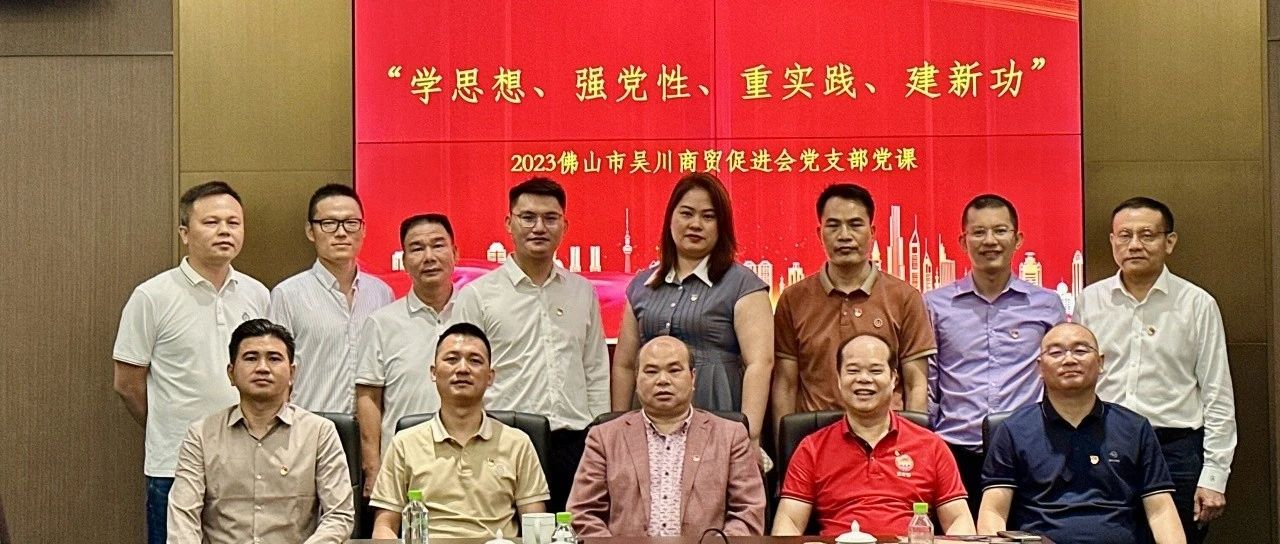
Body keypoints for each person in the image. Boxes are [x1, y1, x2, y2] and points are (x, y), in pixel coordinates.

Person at [113, 181, 270, 544]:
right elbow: (127, 383)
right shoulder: (152, 296)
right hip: (175, 464)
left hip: (247, 462)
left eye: (233, 222)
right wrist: (165, 425)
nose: (225, 231)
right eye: (211, 222)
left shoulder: (257, 293)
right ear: (184, 233)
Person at [1075, 197, 1236, 543]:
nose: (1134, 244)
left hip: (1175, 453)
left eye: (1147, 235)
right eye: (1125, 235)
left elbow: (1217, 394)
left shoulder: (1197, 304)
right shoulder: (1090, 300)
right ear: (1112, 241)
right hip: (1103, 446)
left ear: (1169, 242)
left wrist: (1214, 476)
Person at [452, 177, 608, 511]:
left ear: (564, 226)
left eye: (550, 218)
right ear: (509, 223)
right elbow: (461, 376)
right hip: (503, 442)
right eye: (528, 217)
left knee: (573, 530)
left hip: (573, 443)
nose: (539, 227)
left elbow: (594, 369)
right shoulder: (477, 296)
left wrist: (597, 436)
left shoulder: (582, 291)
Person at [978, 322, 1185, 544]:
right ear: (1040, 368)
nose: (1069, 360)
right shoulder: (1013, 429)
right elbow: (993, 512)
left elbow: (1161, 510)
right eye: (1056, 353)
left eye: (1080, 350)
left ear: (1100, 362)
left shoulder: (1135, 427)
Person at [924, 193, 1065, 516]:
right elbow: (930, 382)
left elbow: (1058, 379)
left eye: (1000, 231)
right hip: (954, 450)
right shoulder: (935, 304)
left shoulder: (1046, 304)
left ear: (1018, 239)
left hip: (1027, 451)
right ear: (963, 241)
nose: (990, 241)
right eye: (979, 232)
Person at [612, 172, 773, 452]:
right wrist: (619, 428)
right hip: (649, 420)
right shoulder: (641, 285)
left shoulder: (743, 284)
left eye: (708, 216)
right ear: (670, 219)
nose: (695, 224)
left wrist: (750, 434)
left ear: (722, 226)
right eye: (686, 213)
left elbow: (760, 363)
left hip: (718, 412)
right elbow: (625, 365)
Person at [167, 319, 355, 544]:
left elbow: (339, 516)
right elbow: (183, 518)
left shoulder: (319, 433)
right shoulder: (201, 435)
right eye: (251, 358)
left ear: (292, 373)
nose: (262, 368)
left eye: (274, 358)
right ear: (231, 373)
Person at [774, 333, 974, 537]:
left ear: (894, 378)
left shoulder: (931, 445)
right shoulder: (812, 448)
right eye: (853, 370)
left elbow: (959, 520)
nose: (863, 379)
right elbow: (789, 521)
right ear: (839, 380)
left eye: (875, 370)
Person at [773, 183, 936, 429]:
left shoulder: (904, 297)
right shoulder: (793, 299)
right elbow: (785, 384)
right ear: (819, 233)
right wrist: (785, 443)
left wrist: (913, 441)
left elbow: (916, 384)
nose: (844, 235)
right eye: (833, 226)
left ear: (872, 232)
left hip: (885, 435)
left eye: (855, 225)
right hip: (816, 435)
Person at [568, 336, 766, 536]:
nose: (663, 380)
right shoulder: (604, 437)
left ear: (693, 378)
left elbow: (748, 511)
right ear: (636, 380)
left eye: (674, 370)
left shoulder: (730, 436)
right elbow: (583, 513)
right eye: (651, 371)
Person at [369, 323, 549, 538]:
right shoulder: (404, 443)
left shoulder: (518, 443)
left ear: (490, 377)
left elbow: (537, 529)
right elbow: (384, 527)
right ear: (434, 372)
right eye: (452, 359)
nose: (462, 369)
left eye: (475, 361)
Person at [354, 213, 457, 496]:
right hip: (402, 463)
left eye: (438, 245)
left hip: (469, 461)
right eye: (417, 248)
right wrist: (373, 468)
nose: (429, 257)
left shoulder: (476, 313)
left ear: (455, 253)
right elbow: (368, 397)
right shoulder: (382, 322)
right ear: (404, 260)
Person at [269, 183, 393, 414]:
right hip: (309, 424)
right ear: (310, 231)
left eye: (351, 223)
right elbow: (276, 372)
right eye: (329, 223)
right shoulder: (287, 295)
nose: (341, 233)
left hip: (370, 426)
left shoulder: (382, 293)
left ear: (363, 229)